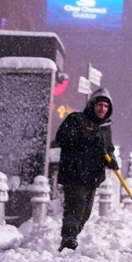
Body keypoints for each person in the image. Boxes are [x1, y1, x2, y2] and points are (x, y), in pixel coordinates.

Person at [53, 89, 116, 251]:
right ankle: (68, 240)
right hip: (75, 173)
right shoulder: (76, 119)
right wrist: (86, 138)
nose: (102, 109)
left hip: (92, 176)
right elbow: (61, 138)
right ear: (92, 105)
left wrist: (111, 158)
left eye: (106, 106)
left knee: (85, 213)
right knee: (75, 208)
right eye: (100, 105)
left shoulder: (105, 127)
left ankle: (69, 240)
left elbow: (107, 147)